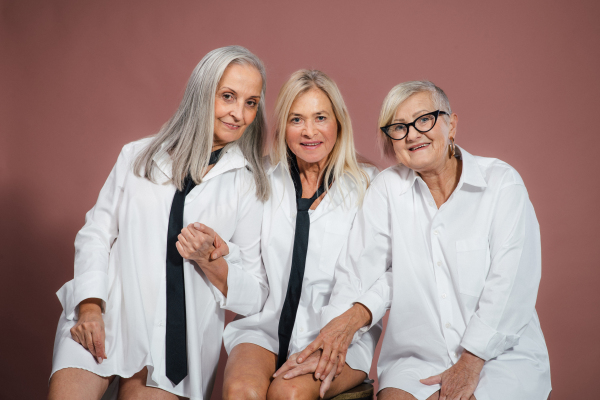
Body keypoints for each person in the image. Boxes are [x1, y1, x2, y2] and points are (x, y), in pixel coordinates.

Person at [294, 81, 552, 400]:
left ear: (451, 124)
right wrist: (333, 338)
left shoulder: (501, 183)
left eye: (425, 119)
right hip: (416, 358)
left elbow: (512, 286)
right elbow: (358, 274)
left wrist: (470, 363)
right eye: (400, 127)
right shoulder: (387, 189)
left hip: (500, 356)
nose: (413, 134)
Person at [48, 45, 270, 400]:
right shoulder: (137, 155)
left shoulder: (250, 184)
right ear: (202, 93)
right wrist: (89, 306)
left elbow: (255, 293)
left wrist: (209, 259)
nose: (239, 114)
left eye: (251, 102)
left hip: (177, 342)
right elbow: (96, 234)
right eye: (228, 96)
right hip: (108, 313)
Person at [221, 70, 381, 400]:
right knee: (242, 391)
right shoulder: (260, 178)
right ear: (284, 127)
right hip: (263, 327)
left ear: (339, 122)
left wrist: (350, 323)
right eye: (297, 119)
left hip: (338, 336)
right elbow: (244, 263)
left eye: (320, 117)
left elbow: (390, 269)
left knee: (289, 394)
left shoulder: (370, 186)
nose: (309, 131)